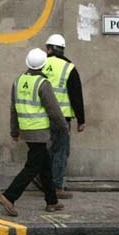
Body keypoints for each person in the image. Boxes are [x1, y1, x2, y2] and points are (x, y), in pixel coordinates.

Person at [0, 48, 68, 217]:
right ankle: (9, 196)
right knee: (33, 167)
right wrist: (64, 127)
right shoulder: (43, 83)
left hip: (26, 130)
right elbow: (54, 109)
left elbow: (13, 109)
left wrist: (14, 131)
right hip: (39, 131)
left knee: (45, 165)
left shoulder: (18, 81)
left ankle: (51, 201)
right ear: (43, 65)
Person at [42, 33, 85, 199]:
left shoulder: (40, 64)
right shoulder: (69, 68)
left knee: (44, 151)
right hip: (62, 118)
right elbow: (76, 95)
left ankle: (45, 182)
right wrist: (81, 119)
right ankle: (56, 187)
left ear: (50, 49)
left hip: (41, 117)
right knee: (60, 151)